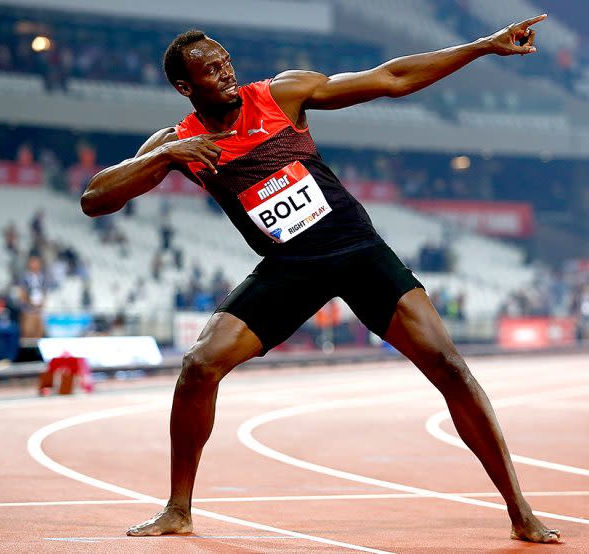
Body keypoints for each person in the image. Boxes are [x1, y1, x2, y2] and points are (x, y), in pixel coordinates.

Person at [81, 15, 560, 544]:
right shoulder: (181, 141)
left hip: (357, 252)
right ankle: (178, 509)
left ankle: (520, 511)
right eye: (211, 72)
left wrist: (484, 46)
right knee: (198, 367)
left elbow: (392, 78)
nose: (226, 75)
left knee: (449, 365)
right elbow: (94, 200)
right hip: (291, 270)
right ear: (184, 86)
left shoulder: (282, 95)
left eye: (226, 63)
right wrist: (166, 153)